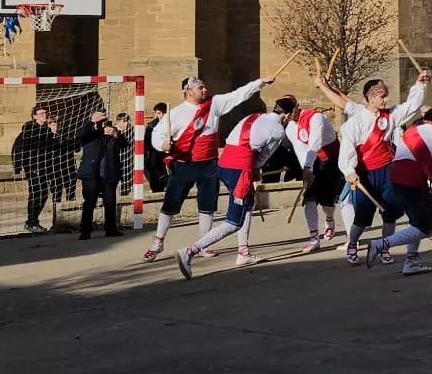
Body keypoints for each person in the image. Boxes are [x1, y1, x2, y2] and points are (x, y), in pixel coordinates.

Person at [144, 73, 271, 261]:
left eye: (204, 86)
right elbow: (157, 134)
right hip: (184, 164)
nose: (205, 90)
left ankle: (203, 244)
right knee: (170, 204)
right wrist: (162, 145)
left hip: (209, 163)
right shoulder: (176, 113)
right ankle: (158, 242)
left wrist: (259, 83)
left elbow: (238, 95)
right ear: (188, 91)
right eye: (200, 87)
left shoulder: (214, 104)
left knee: (207, 205)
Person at [325, 70, 431, 268]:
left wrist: (420, 85)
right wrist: (349, 170)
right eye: (382, 95)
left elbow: (411, 106)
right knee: (363, 217)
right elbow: (347, 148)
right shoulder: (355, 123)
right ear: (370, 97)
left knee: (390, 212)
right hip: (365, 174)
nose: (386, 99)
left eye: (386, 95)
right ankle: (353, 243)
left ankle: (384, 248)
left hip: (389, 171)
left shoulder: (390, 116)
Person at [175, 98, 291, 276]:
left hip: (224, 165)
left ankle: (243, 252)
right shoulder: (277, 130)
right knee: (234, 221)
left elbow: (231, 138)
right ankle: (190, 251)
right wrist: (255, 171)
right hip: (239, 170)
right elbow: (264, 156)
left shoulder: (253, 117)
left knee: (248, 205)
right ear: (287, 115)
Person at [362, 103, 432, 275]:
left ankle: (411, 261)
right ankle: (381, 244)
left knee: (415, 222)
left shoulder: (410, 131)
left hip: (396, 177)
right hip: (414, 181)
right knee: (427, 227)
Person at [279, 95, 341, 254]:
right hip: (312, 160)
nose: (288, 115)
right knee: (309, 198)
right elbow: (300, 150)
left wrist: (308, 166)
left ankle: (329, 219)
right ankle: (314, 238)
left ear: (297, 106)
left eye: (290, 110)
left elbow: (315, 142)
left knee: (327, 202)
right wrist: (306, 172)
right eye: (284, 111)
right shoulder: (291, 128)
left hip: (330, 159)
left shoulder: (315, 117)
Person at [12, 106, 67, 234]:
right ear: (35, 116)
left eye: (45, 113)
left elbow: (57, 146)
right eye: (41, 113)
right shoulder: (30, 129)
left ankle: (33, 221)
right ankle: (31, 222)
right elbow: (18, 147)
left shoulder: (47, 130)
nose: (44, 115)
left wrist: (56, 135)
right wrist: (18, 165)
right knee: (36, 194)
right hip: (33, 167)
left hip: (45, 167)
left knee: (43, 194)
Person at [73, 110, 122, 240]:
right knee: (89, 203)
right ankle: (85, 231)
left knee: (110, 202)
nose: (102, 123)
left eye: (103, 120)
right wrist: (92, 122)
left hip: (108, 173)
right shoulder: (89, 132)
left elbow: (124, 144)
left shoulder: (111, 131)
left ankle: (111, 229)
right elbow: (82, 136)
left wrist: (115, 134)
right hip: (91, 174)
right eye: (99, 120)